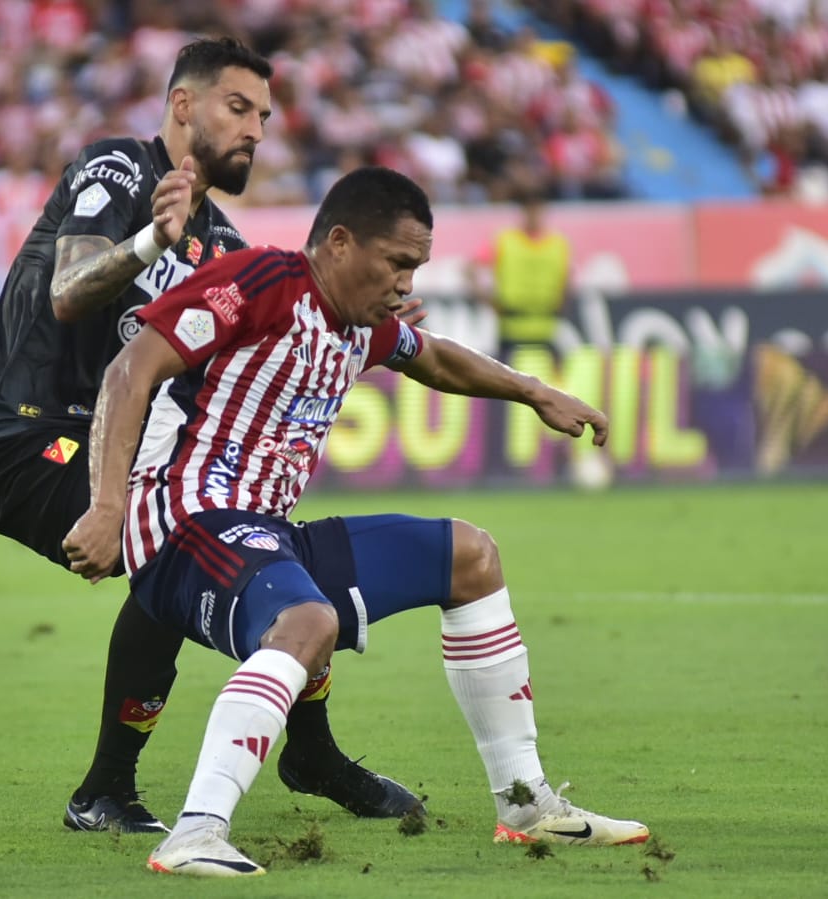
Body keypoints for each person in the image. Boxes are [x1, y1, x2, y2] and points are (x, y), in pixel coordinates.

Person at [62, 166, 649, 877]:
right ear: (339, 242)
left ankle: (525, 803)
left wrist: (534, 392)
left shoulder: (355, 325)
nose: (405, 284)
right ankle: (195, 829)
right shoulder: (262, 281)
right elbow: (131, 368)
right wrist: (105, 505)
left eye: (416, 268)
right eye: (397, 263)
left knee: (471, 556)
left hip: (266, 531)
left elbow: (429, 356)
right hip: (187, 521)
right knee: (308, 622)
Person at [0, 38, 419, 836]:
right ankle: (159, 779)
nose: (256, 131)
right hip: (22, 434)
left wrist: (367, 313)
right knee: (183, 531)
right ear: (183, 105)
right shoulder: (118, 172)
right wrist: (149, 243)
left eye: (264, 116)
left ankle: (264, 758)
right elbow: (67, 292)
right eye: (239, 108)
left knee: (239, 530)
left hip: (118, 440)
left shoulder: (224, 244)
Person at [471, 191, 572, 361]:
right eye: (530, 210)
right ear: (523, 212)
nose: (533, 215)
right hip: (511, 327)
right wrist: (487, 299)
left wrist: (562, 301)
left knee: (547, 383)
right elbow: (472, 269)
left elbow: (566, 279)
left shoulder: (558, 243)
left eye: (537, 210)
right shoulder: (505, 239)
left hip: (547, 327)